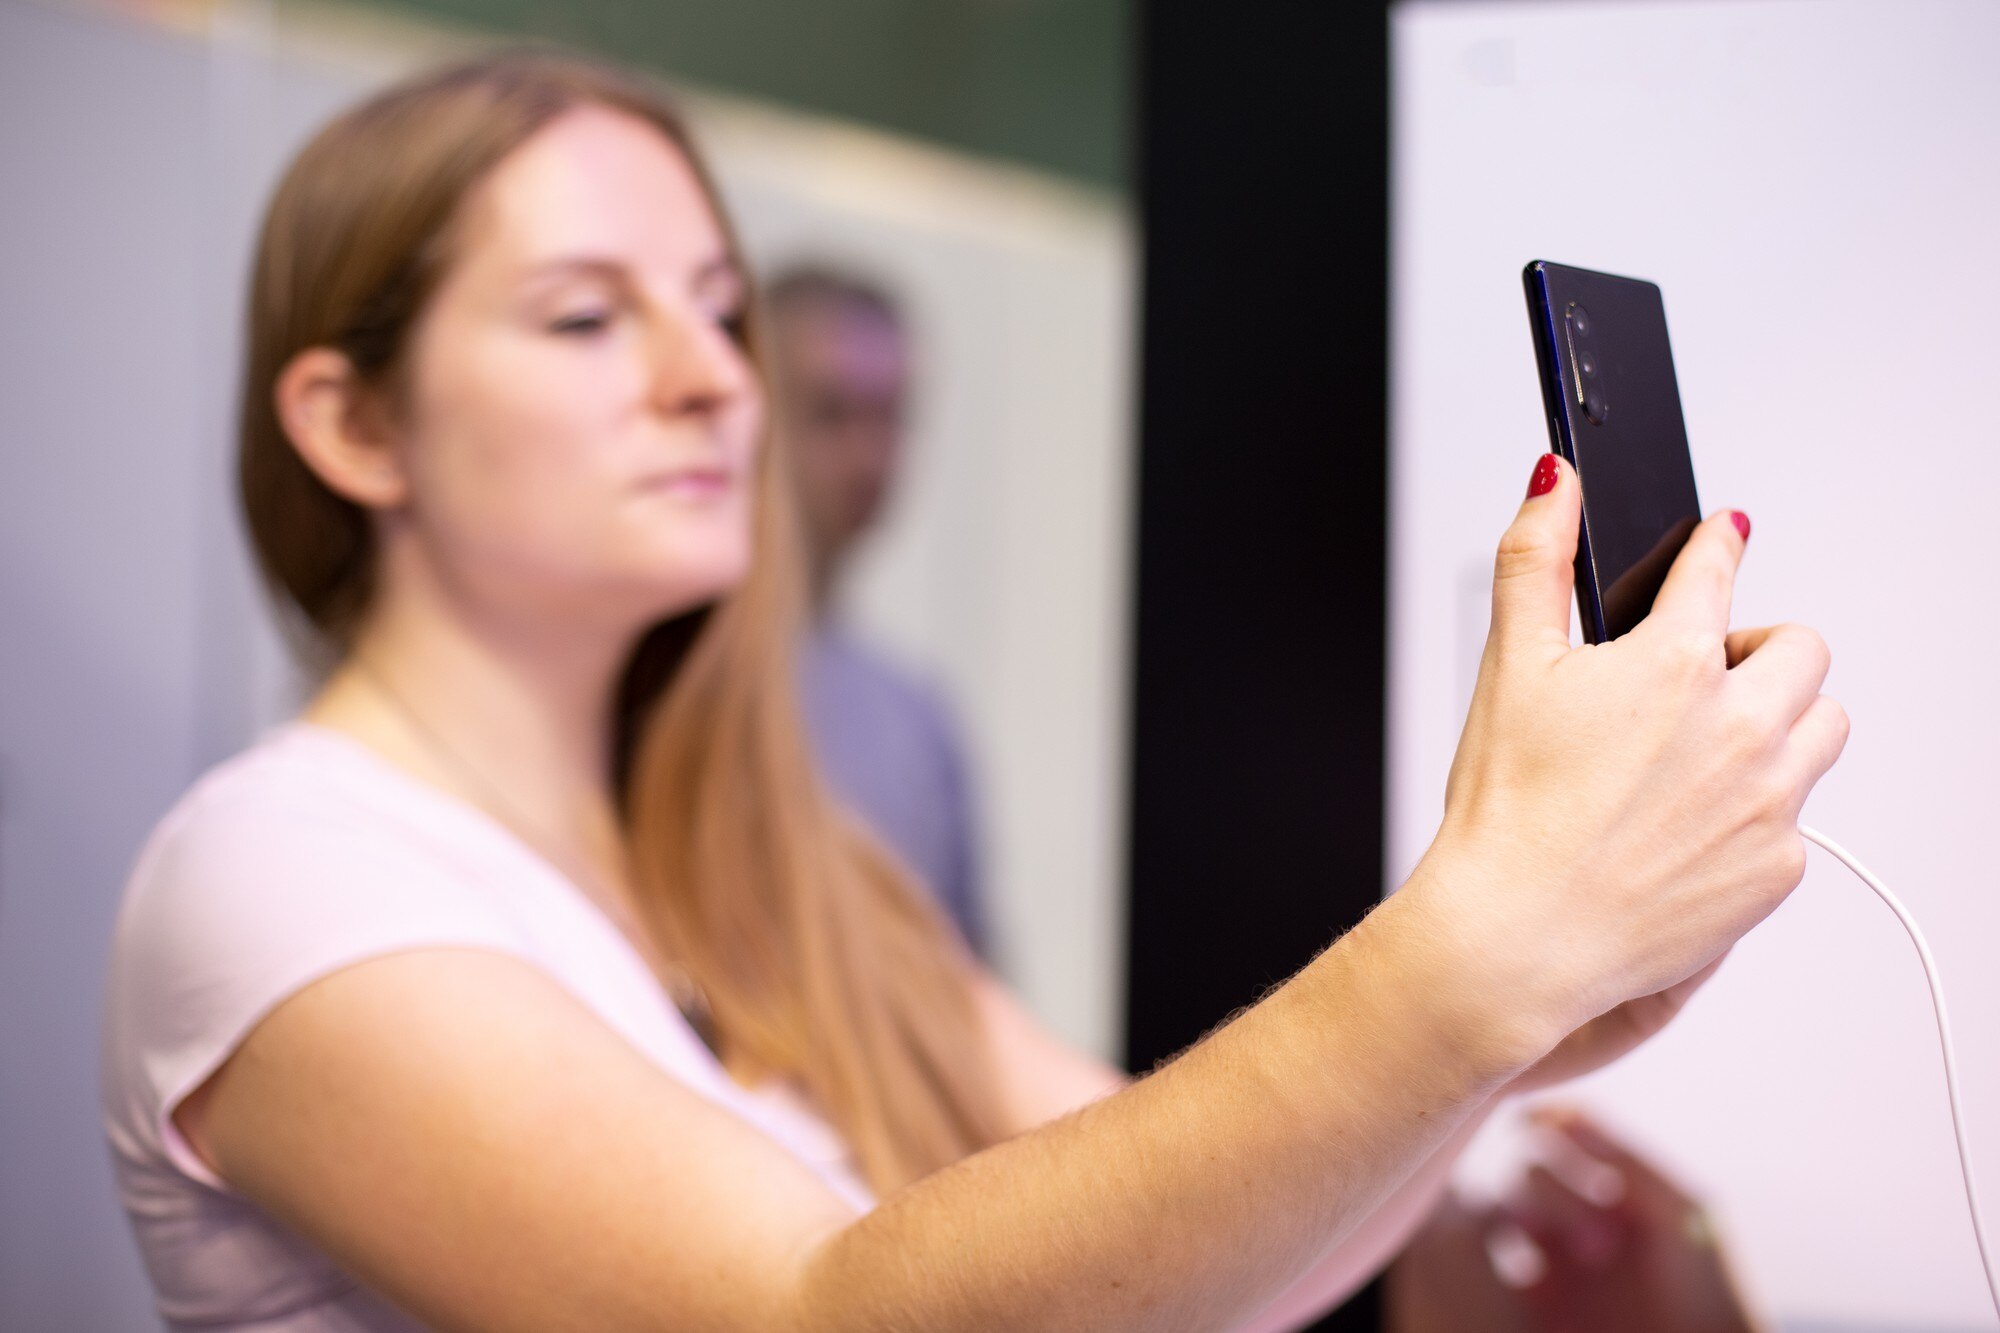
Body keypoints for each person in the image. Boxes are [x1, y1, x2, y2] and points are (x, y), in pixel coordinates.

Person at [99, 52, 1845, 1333]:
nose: (710, 379)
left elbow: (1200, 1273)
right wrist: (1469, 954)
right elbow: (818, 1312)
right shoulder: (281, 873)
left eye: (717, 310)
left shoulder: (787, 870)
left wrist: (1502, 1024)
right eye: (583, 318)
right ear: (353, 423)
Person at [763, 265, 990, 959]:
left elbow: (966, 982)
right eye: (831, 412)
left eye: (889, 415)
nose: (869, 455)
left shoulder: (915, 717)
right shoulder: (661, 676)